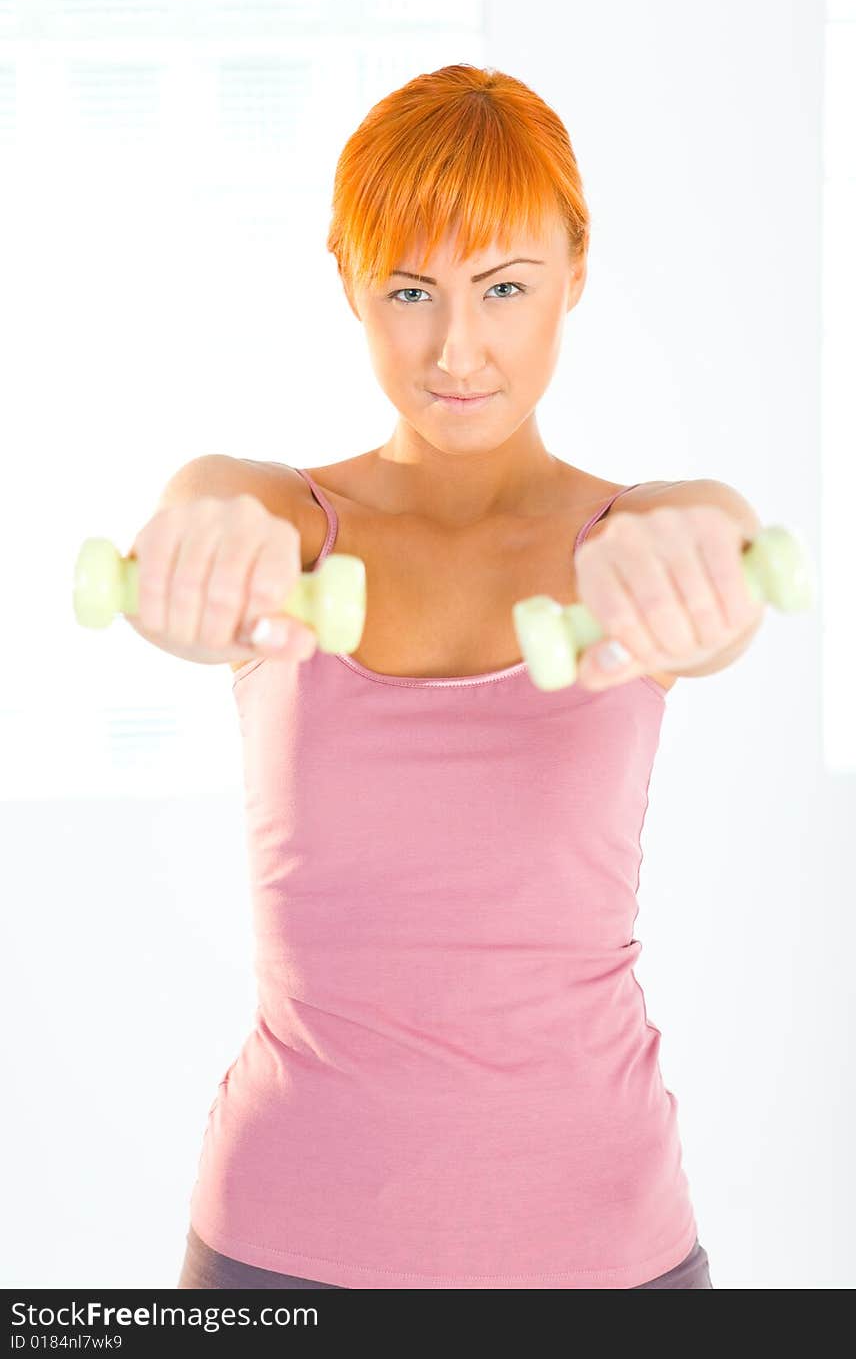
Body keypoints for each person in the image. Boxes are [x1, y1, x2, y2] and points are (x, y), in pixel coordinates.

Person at [167, 63, 766, 1288]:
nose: (458, 348)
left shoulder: (632, 539)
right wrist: (197, 527)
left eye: (503, 288)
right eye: (408, 291)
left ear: (574, 275)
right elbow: (218, 493)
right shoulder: (290, 522)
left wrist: (707, 558)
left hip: (610, 1247)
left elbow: (716, 551)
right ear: (347, 280)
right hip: (278, 1253)